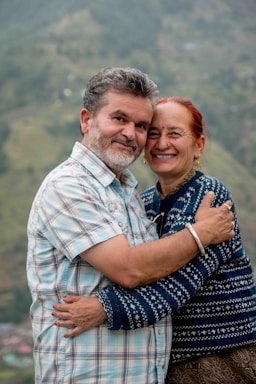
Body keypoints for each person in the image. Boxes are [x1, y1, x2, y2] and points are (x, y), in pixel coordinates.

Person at [27, 67, 234, 384]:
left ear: (199, 145)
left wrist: (104, 308)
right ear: (87, 119)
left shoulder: (133, 197)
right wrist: (202, 233)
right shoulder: (69, 186)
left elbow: (172, 278)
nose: (130, 133)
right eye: (119, 119)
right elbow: (130, 270)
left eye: (141, 126)